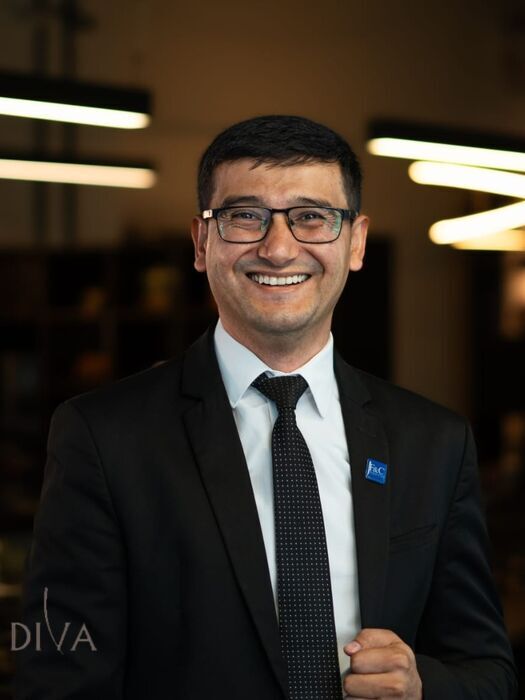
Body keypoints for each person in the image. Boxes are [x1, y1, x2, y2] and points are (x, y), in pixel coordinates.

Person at [14, 115, 517, 699]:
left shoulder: (434, 442)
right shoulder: (102, 438)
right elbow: (58, 678)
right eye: (245, 217)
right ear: (202, 243)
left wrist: (423, 687)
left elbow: (489, 672)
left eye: (312, 217)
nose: (278, 249)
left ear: (355, 242)